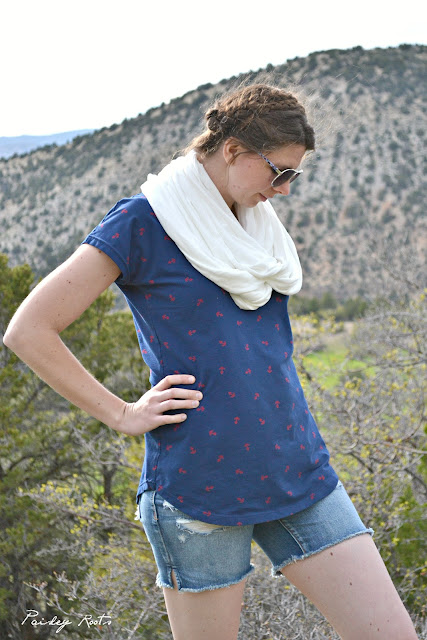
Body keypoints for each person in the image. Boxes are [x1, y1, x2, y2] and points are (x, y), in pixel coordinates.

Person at [3, 84, 418, 640]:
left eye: (294, 175)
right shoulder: (143, 222)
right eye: (278, 171)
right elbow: (29, 330)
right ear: (233, 150)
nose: (284, 189)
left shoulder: (254, 226)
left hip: (297, 466)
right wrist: (122, 413)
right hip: (198, 486)